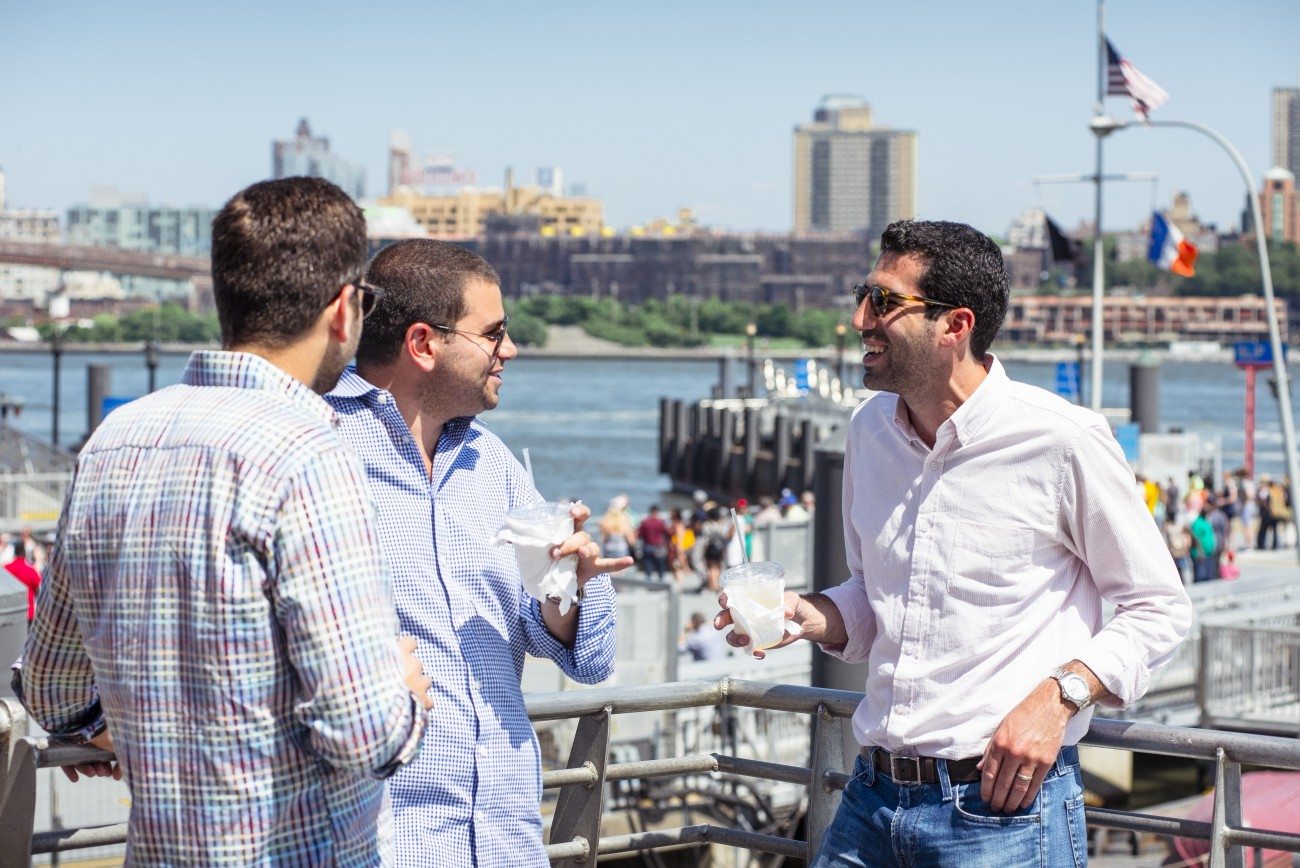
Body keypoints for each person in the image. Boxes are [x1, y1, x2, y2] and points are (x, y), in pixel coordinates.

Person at [716, 219, 1192, 867]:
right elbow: (873, 597)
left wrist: (1060, 698)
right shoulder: (868, 432)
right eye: (864, 294)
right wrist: (810, 616)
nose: (860, 318)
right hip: (871, 798)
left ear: (955, 325)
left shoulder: (1063, 439)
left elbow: (1160, 608)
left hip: (1002, 813)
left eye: (884, 301)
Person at [17, 177, 432, 864]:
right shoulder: (308, 455)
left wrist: (114, 730)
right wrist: (405, 697)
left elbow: (50, 688)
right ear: (343, 308)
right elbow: (364, 734)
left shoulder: (114, 441)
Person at [325, 238, 627, 866]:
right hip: (386, 845)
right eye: (494, 334)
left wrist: (566, 582)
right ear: (424, 344)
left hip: (506, 840)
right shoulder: (319, 450)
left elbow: (589, 660)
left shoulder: (495, 466)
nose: (509, 350)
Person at [637, 504, 670, 580]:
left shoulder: (645, 522)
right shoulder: (661, 522)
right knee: (660, 566)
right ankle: (661, 581)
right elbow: (667, 533)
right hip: (658, 547)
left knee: (648, 565)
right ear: (657, 512)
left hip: (648, 546)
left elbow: (640, 534)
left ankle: (649, 582)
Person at [599, 494, 637, 559]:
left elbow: (604, 537)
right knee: (621, 567)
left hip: (608, 548)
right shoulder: (624, 519)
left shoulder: (606, 519)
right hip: (621, 549)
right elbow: (631, 540)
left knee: (608, 567)